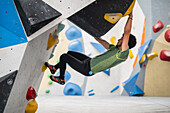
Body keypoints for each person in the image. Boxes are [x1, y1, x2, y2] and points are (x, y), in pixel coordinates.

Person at [45, 12, 136, 85]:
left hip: (88, 69)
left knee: (64, 57)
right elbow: (106, 44)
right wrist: (97, 38)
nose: (119, 39)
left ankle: (61, 78)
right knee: (70, 53)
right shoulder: (115, 49)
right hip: (89, 61)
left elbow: (127, 32)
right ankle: (54, 68)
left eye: (122, 39)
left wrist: (130, 17)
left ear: (126, 43)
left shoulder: (123, 54)